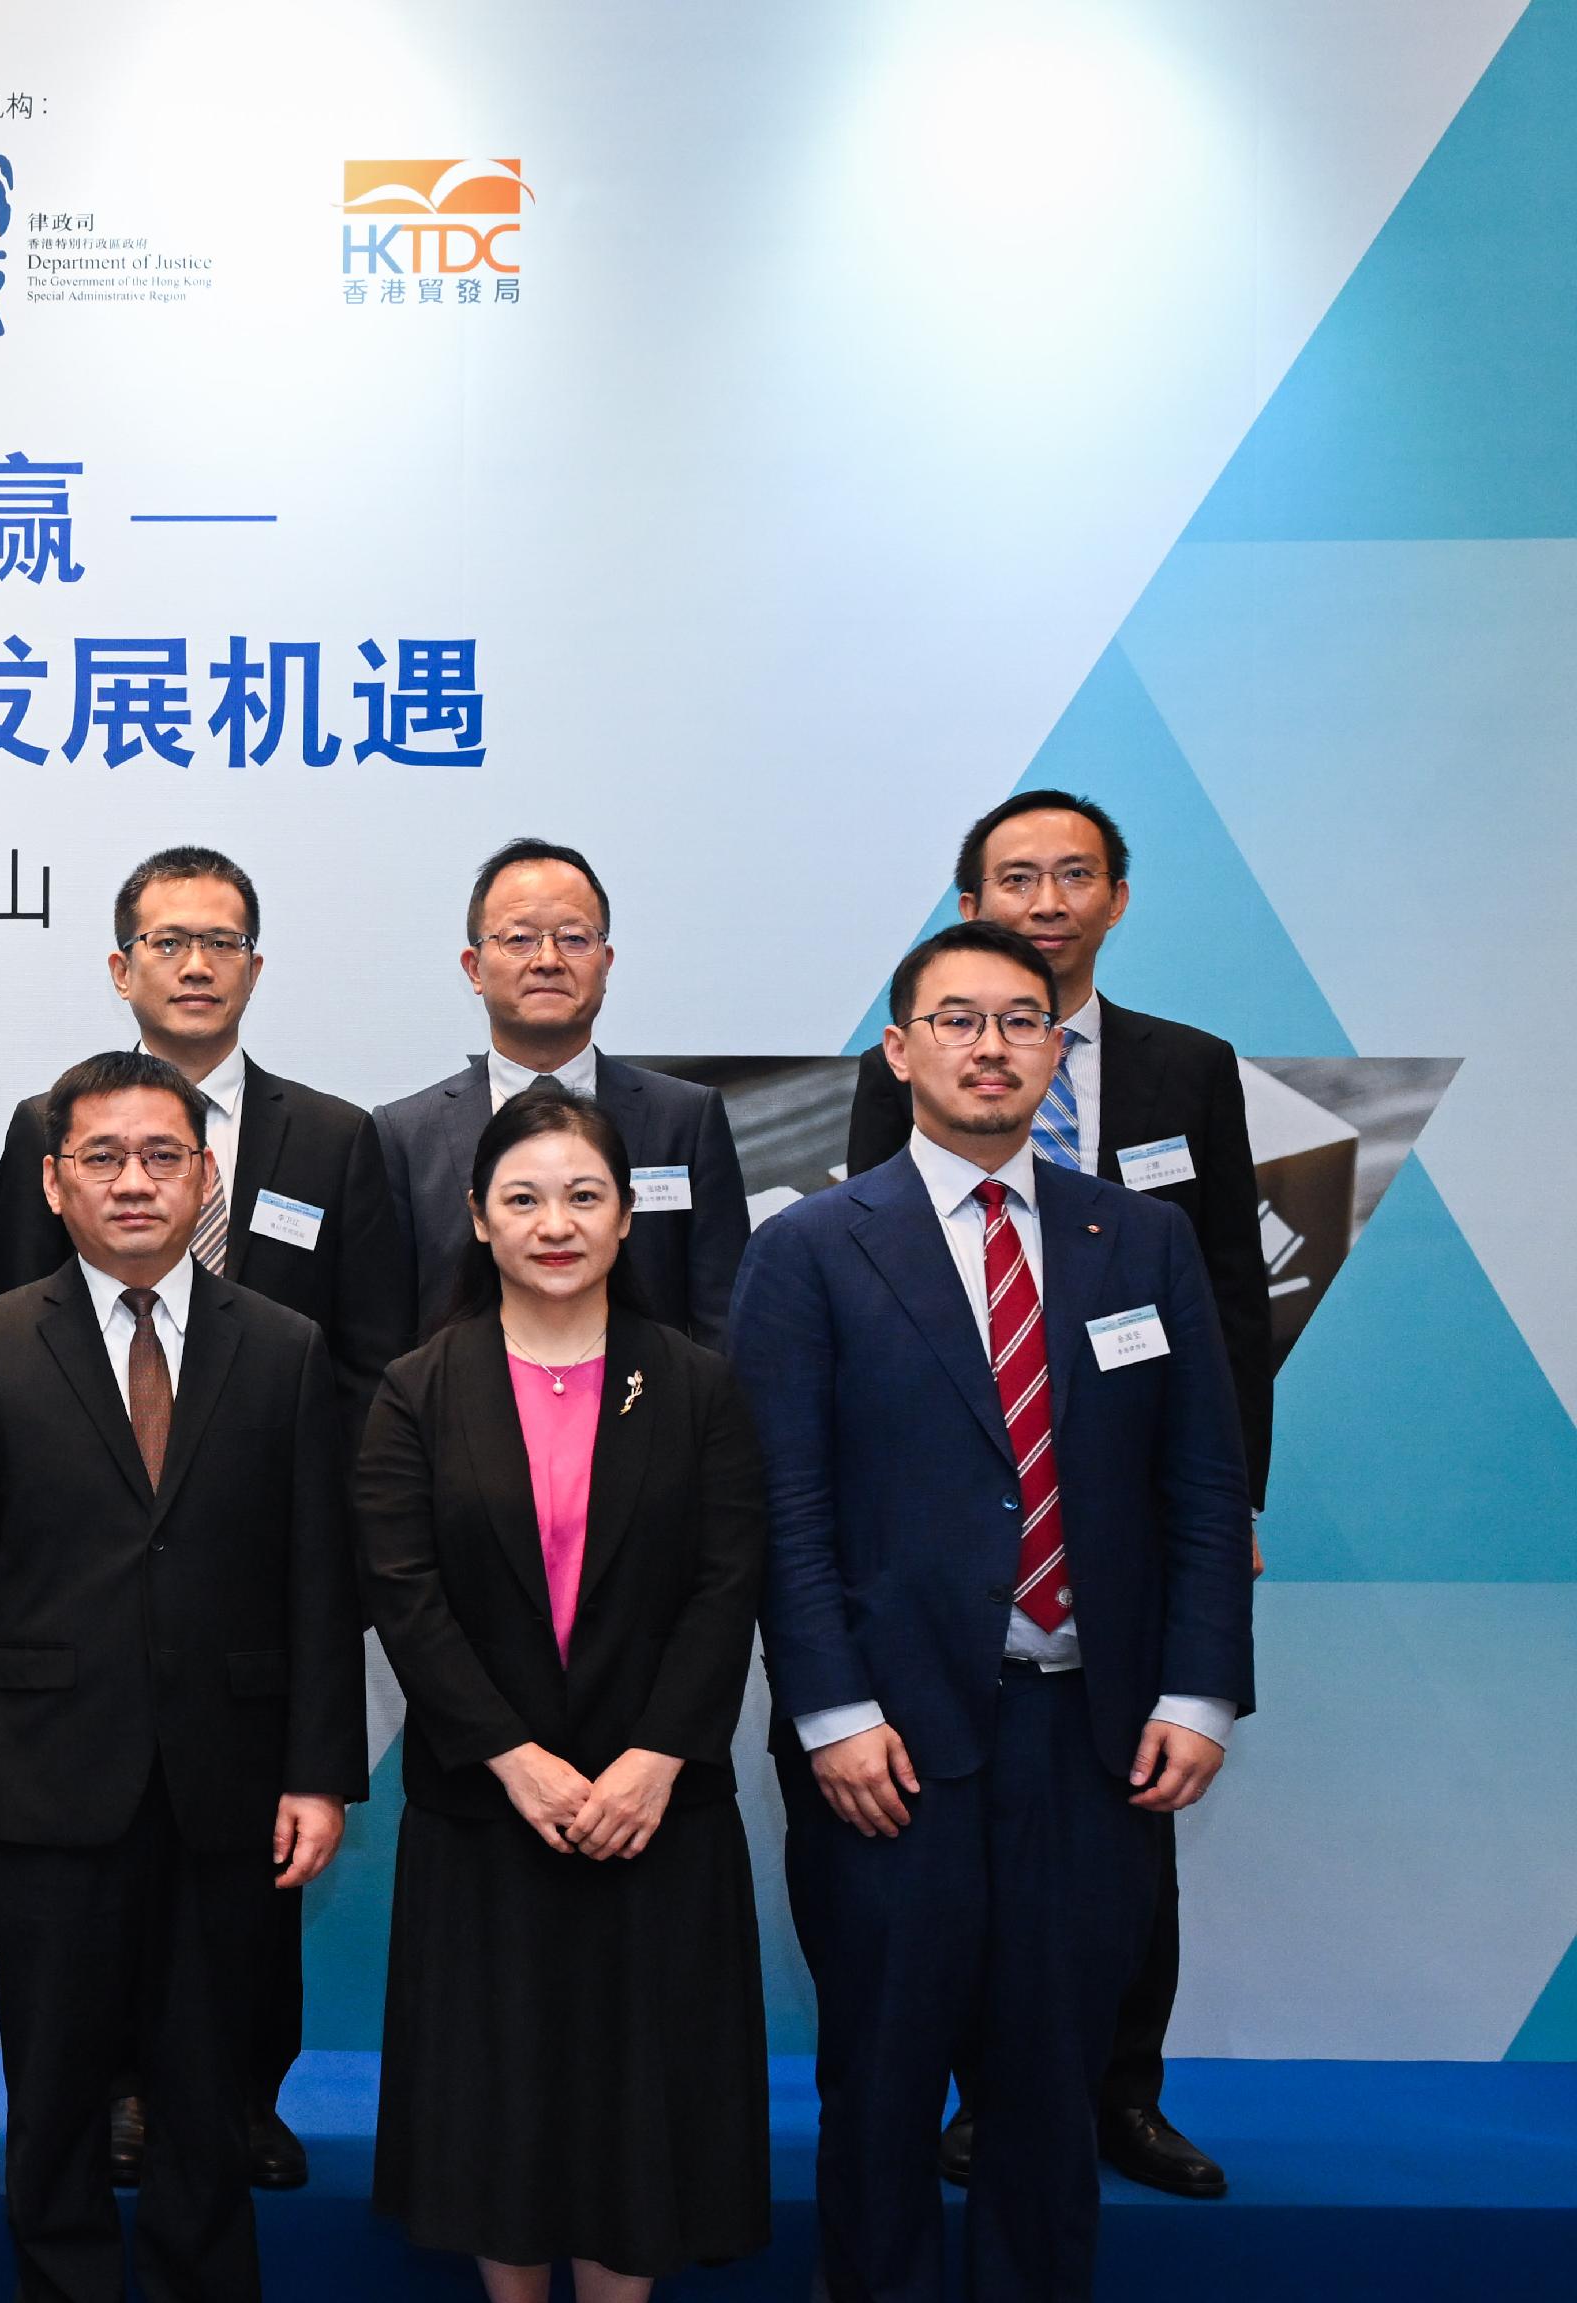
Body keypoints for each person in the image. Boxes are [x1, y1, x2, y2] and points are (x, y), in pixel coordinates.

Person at [738, 921, 1254, 2303]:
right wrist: (832, 1710)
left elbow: (1203, 1482)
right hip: (885, 1752)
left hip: (1095, 1741)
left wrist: (1198, 1692)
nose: (991, 1044)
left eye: (1022, 1019)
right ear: (901, 1050)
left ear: (1054, 1049)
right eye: (957, 1019)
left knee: (1051, 2089)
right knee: (887, 2084)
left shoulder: (1137, 1237)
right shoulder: (810, 1249)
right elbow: (781, 1506)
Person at [846, 790, 1272, 2199]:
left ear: (1119, 894)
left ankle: (1119, 2092)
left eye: (1073, 872)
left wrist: (1235, 1507)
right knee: (958, 1856)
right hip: (968, 1520)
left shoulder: (1187, 1065)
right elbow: (882, 1305)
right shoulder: (900, 1071)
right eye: (1014, 876)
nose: (1046, 896)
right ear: (969, 903)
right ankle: (992, 2099)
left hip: (1130, 1505)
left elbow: (1224, 1297)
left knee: (1121, 1843)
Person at [0, 844, 411, 2188]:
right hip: (85, 1591)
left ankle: (243, 2093)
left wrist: (328, 1559)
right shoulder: (47, 1124)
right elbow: (10, 1352)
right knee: (100, 1874)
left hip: (263, 1566)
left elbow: (368, 1363)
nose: (193, 962)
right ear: (121, 967)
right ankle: (115, 2089)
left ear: (255, 967)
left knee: (248, 1875)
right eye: (165, 940)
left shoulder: (337, 1139)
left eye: (220, 940)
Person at [0, 1050, 363, 2303]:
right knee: (54, 2089)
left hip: (229, 1779)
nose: (133, 1182)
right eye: (101, 1158)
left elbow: (318, 1577)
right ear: (53, 1183)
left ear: (204, 1176)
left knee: (206, 2085)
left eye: (162, 1156)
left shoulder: (283, 1346)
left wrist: (320, 1771)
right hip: (48, 1779)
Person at [355, 1088, 771, 2299]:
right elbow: (403, 1593)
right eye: (522, 1197)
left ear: (628, 1217)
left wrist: (657, 1756)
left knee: (636, 2111)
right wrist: (510, 1754)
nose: (555, 1221)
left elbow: (724, 1582)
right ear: (476, 1220)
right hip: (491, 1820)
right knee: (502, 2110)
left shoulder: (695, 1385)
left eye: (584, 1195)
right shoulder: (416, 1390)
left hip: (655, 1818)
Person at [374, 838, 747, 1346]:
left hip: (649, 1414)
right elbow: (386, 1334)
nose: (547, 960)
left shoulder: (685, 1118)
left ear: (606, 963)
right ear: (474, 968)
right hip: (458, 1418)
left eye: (574, 939)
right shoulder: (402, 1135)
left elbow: (722, 1318)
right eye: (520, 939)